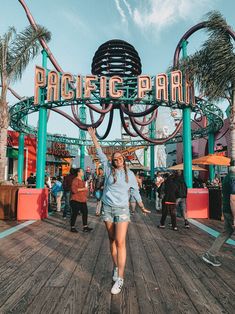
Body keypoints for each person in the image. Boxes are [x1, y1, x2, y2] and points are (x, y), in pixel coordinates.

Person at [88, 127, 150, 295]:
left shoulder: (129, 174)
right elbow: (100, 153)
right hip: (107, 209)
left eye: (120, 158)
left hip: (122, 210)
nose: (118, 160)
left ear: (124, 159)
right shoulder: (108, 170)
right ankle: (116, 267)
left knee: (120, 241)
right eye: (115, 159)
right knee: (112, 240)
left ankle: (120, 277)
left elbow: (135, 191)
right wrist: (93, 136)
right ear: (113, 161)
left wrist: (142, 205)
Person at [202, 169, 234, 266]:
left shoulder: (227, 177)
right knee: (225, 233)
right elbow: (233, 199)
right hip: (232, 211)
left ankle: (210, 254)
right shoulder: (233, 178)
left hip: (227, 210)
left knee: (226, 233)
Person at [70, 168, 93, 233]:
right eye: (82, 171)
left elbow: (84, 189)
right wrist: (84, 189)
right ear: (78, 173)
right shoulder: (75, 180)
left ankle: (85, 227)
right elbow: (74, 190)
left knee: (85, 213)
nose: (83, 172)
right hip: (75, 200)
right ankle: (72, 227)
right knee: (75, 214)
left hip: (82, 200)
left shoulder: (82, 180)